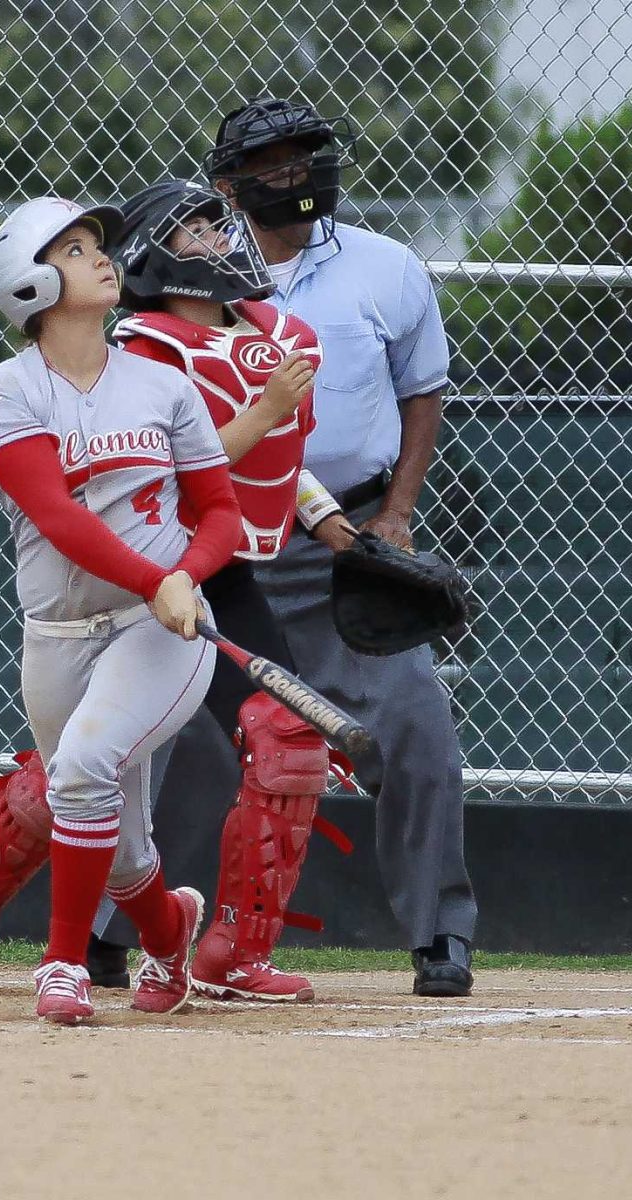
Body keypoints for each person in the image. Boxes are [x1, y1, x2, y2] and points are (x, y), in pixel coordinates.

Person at [0, 195, 243, 1024]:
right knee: (113, 833)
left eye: (97, 245)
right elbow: (58, 520)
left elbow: (220, 512)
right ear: (29, 284)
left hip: (158, 632)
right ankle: (169, 933)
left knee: (86, 767)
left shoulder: (164, 386)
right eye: (72, 249)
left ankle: (61, 965)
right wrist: (152, 576)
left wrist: (187, 574)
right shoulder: (0, 394)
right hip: (57, 635)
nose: (101, 257)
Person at [198, 97, 477, 996]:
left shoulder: (384, 267)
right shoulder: (189, 273)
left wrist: (396, 513)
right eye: (270, 161)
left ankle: (439, 933)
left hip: (342, 536)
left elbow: (421, 390)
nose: (293, 174)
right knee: (170, 735)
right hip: (217, 537)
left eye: (304, 155)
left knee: (415, 725)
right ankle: (117, 932)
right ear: (226, 185)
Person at [85, 179, 360, 1002]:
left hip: (224, 570)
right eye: (195, 230)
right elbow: (178, 466)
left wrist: (332, 525)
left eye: (215, 224)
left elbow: (277, 456)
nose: (216, 239)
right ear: (153, 256)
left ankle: (234, 951)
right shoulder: (142, 349)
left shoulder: (253, 335)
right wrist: (272, 401)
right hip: (145, 571)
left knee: (288, 739)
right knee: (85, 762)